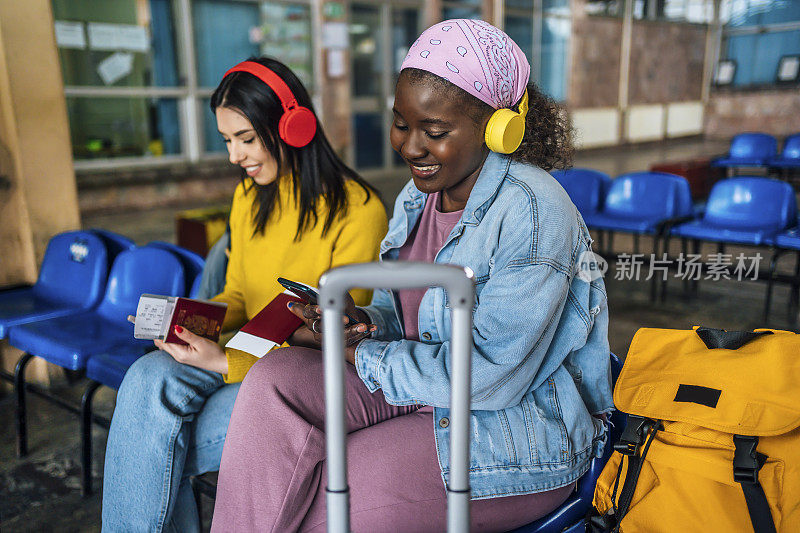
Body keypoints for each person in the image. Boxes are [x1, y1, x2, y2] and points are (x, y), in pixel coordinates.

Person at [211, 20, 613, 532]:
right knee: (273, 382)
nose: (411, 147)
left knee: (321, 499)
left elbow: (491, 377)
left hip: (506, 431)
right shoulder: (417, 197)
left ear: (498, 128)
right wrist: (362, 323)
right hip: (421, 390)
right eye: (401, 123)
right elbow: (401, 314)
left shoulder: (534, 213)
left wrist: (364, 354)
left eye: (435, 132)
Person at [101, 57, 388, 532]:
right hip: (243, 347)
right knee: (147, 374)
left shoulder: (358, 211)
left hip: (291, 377)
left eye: (246, 139)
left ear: (294, 127)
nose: (234, 156)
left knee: (151, 440)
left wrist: (223, 363)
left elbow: (333, 342)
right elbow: (238, 290)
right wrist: (189, 317)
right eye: (227, 141)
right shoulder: (249, 196)